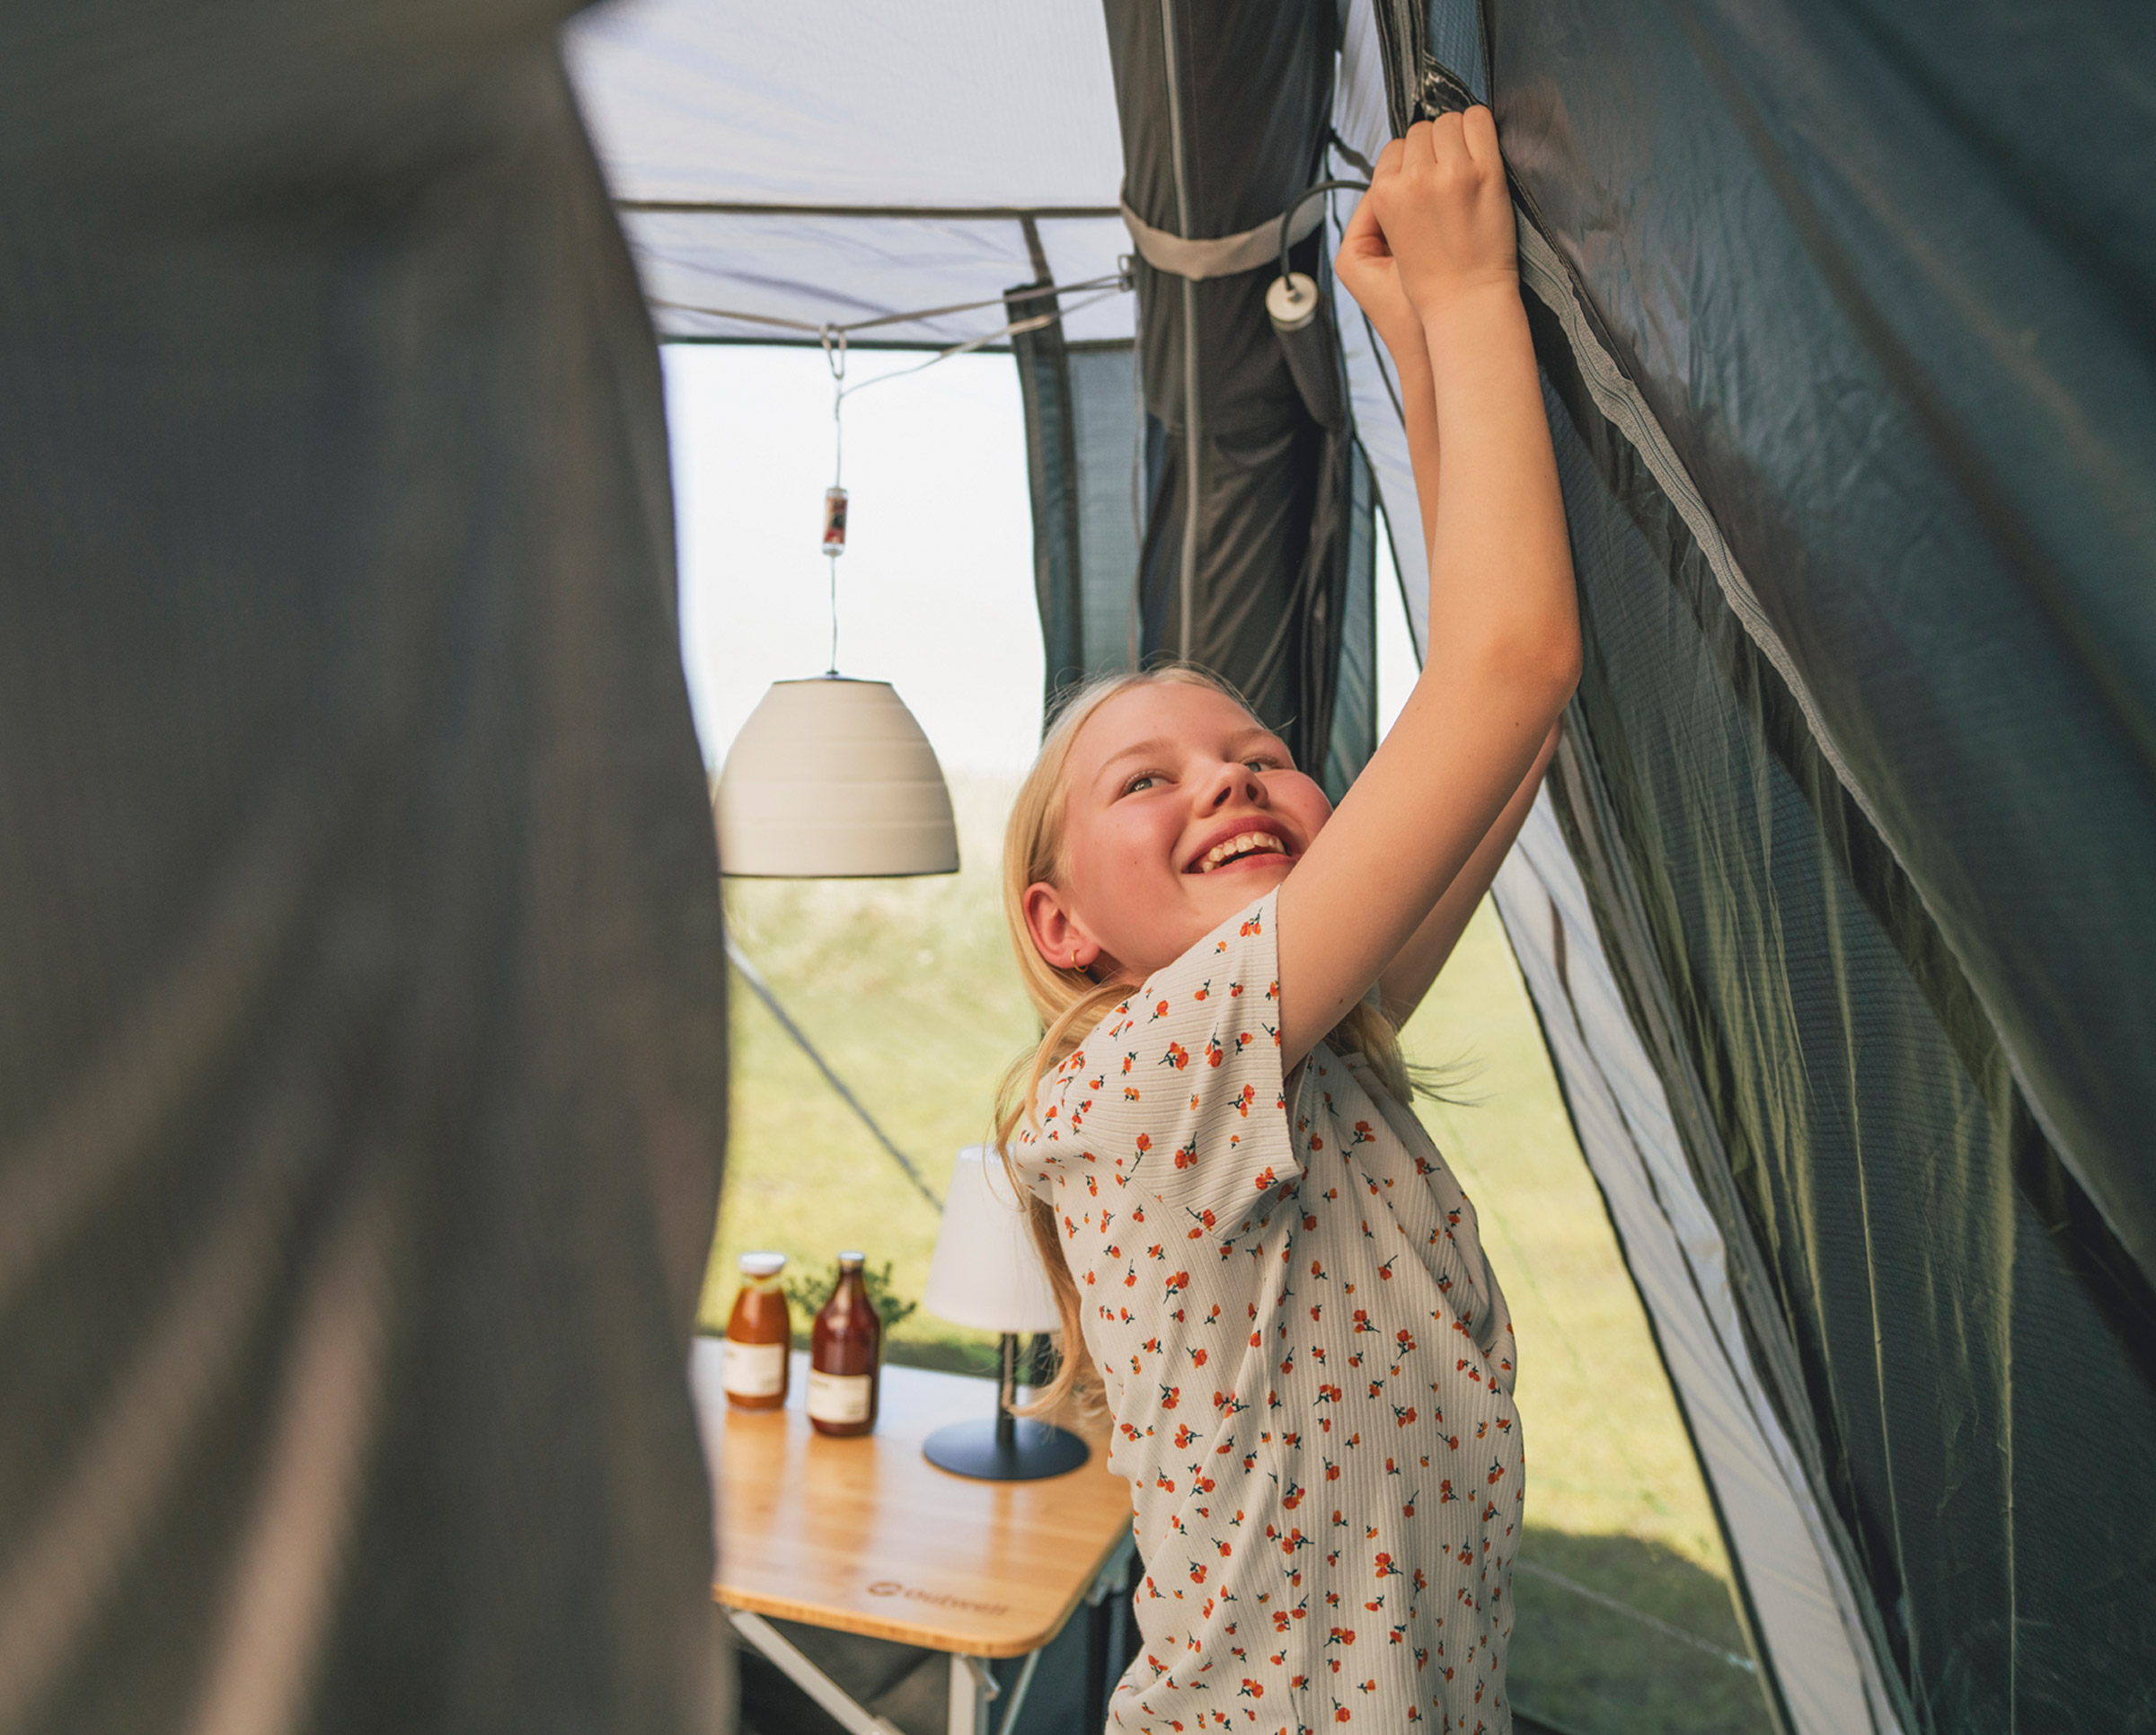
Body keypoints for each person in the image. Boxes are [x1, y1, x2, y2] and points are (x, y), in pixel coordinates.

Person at [990, 108, 1577, 1733]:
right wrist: (1465, 296)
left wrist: (1414, 344)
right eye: (1146, 780)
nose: (1231, 782)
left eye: (1262, 754)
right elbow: (1514, 668)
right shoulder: (1143, 1086)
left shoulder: (1301, 1048)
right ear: (1062, 929)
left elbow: (1505, 740)